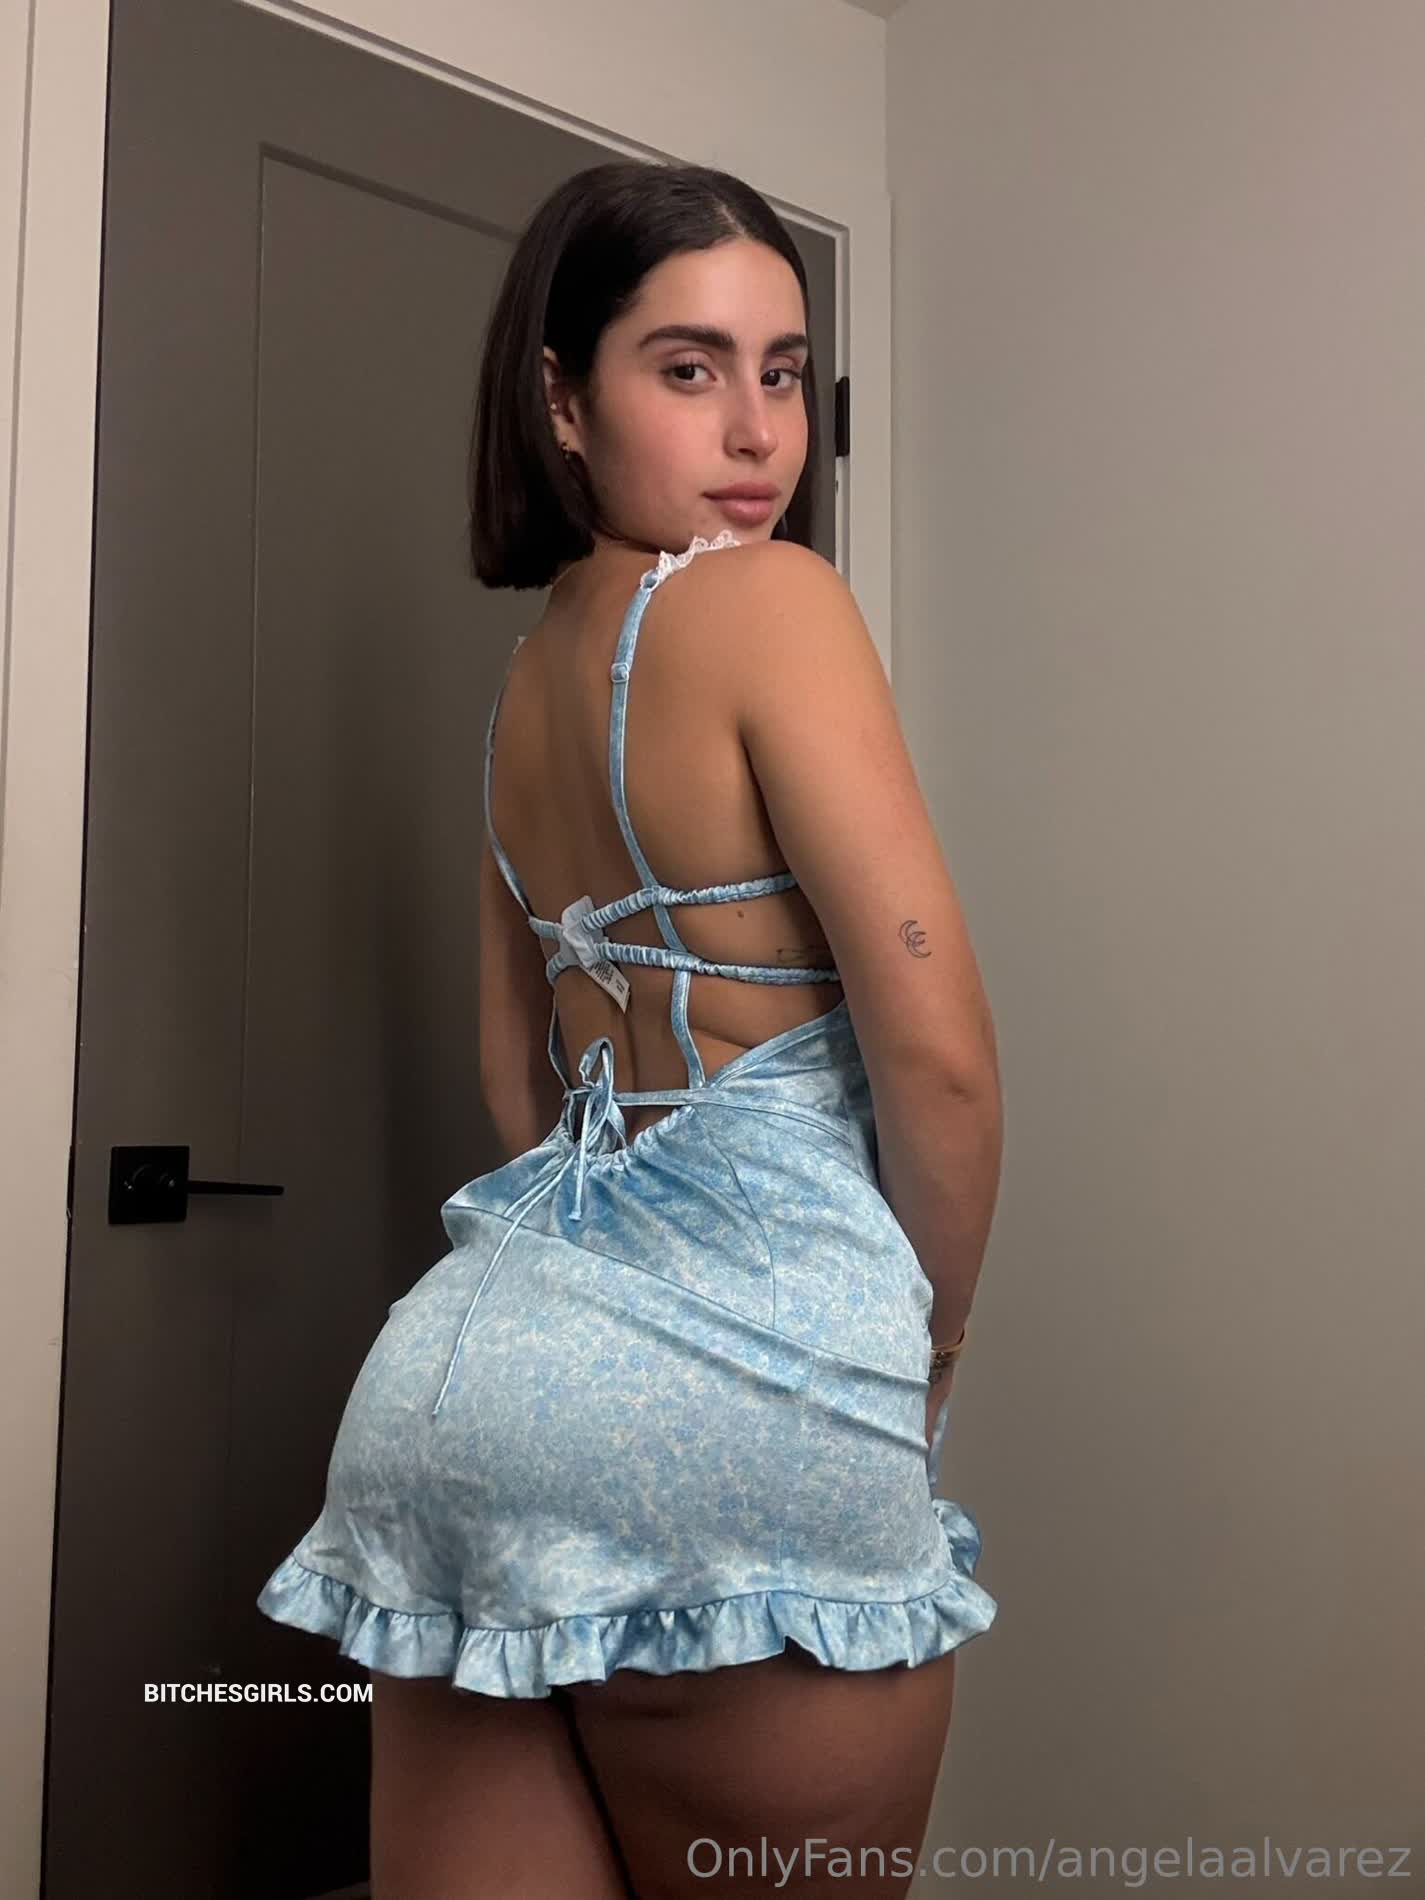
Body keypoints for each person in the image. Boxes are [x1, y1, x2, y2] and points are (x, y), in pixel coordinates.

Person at [257, 159, 1004, 1899]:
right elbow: (939, 1055)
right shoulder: (769, 600)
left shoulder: (533, 672)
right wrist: (931, 1342)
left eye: (781, 372)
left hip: (461, 1405)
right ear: (560, 399)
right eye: (687, 368)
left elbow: (514, 1074)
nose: (756, 432)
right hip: (738, 1425)